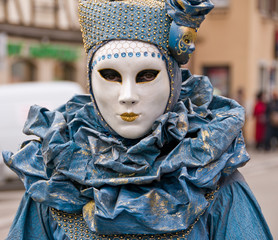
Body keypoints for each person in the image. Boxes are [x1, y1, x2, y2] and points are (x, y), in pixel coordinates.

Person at [2, 0, 273, 239]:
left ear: (173, 82)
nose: (127, 96)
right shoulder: (54, 178)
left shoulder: (210, 180)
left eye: (146, 76)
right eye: (110, 75)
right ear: (91, 82)